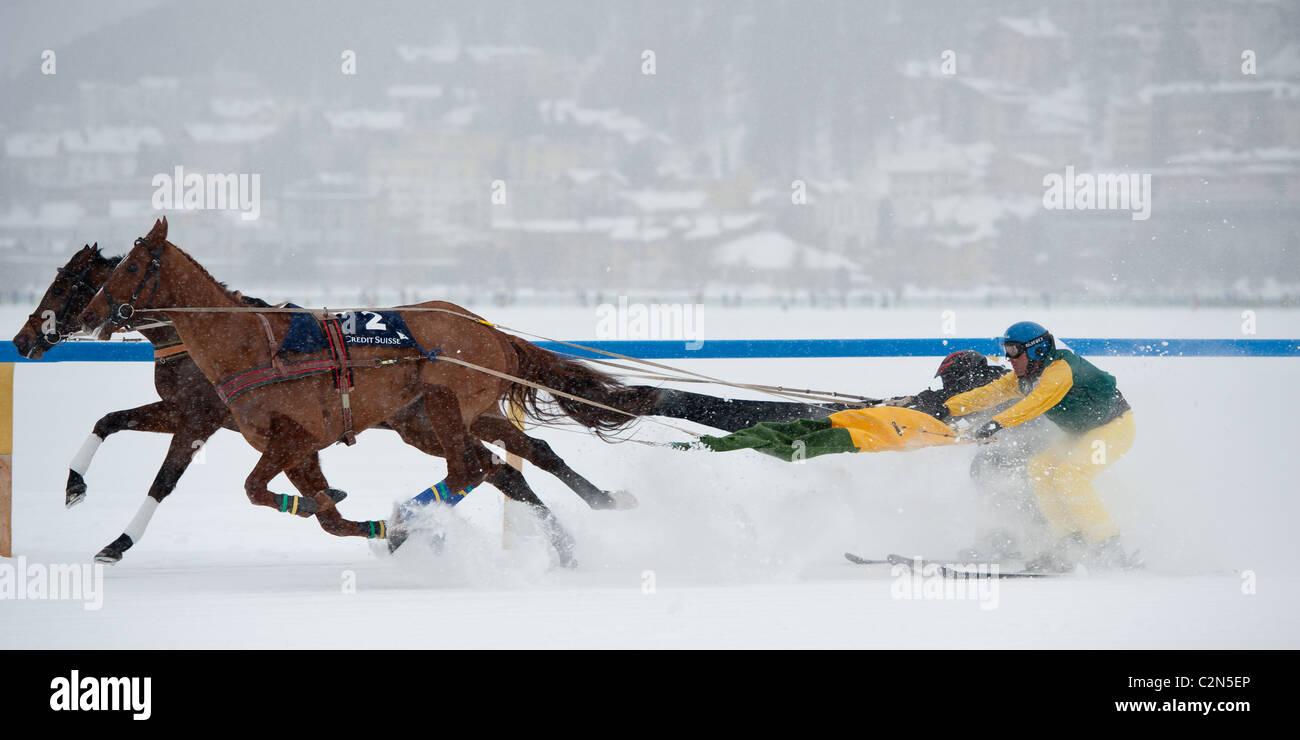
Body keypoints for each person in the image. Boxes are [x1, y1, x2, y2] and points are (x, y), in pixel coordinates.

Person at [945, 321, 1138, 572]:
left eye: (1014, 351)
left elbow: (1036, 403)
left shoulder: (1060, 370)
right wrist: (947, 408)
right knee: (1040, 467)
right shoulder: (1025, 378)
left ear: (1036, 349)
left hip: (1114, 428)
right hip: (1082, 434)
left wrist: (996, 423)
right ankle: (1069, 543)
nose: (1008, 358)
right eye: (1006, 350)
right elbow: (986, 395)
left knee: (1070, 475)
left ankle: (1109, 548)